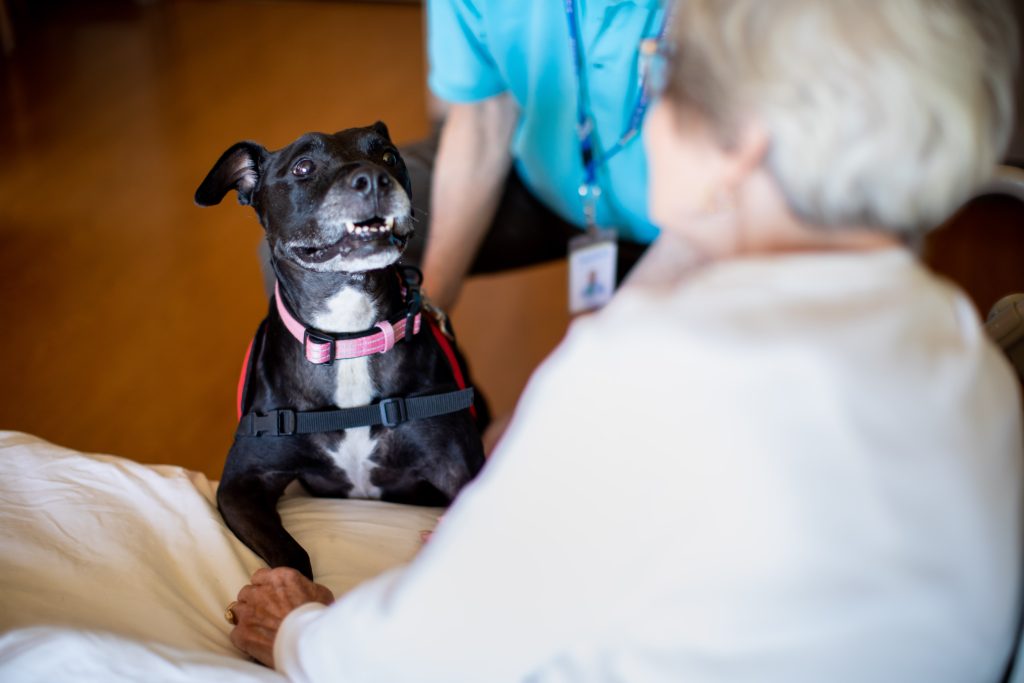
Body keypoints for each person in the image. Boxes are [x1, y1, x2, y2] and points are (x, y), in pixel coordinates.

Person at [228, 1, 1023, 681]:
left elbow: (411, 654)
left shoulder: (642, 377)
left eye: (656, 86)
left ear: (741, 143)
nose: (638, 112)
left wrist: (297, 631)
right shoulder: (964, 348)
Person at [402, 0, 669, 313]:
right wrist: (430, 312)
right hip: (542, 182)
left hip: (692, 220)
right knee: (357, 224)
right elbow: (483, 116)